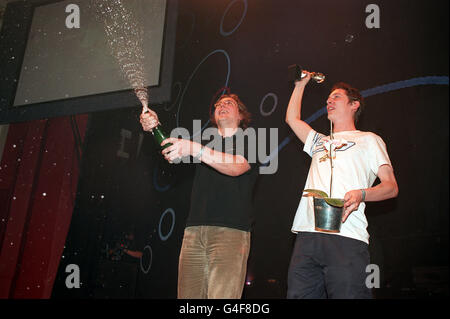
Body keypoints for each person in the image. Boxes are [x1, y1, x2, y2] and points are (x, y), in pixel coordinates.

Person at [285, 73, 399, 299]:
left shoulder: (369, 139)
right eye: (327, 99)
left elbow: (390, 186)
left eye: (336, 97)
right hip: (307, 236)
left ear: (354, 104)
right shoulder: (318, 141)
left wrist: (361, 194)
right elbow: (292, 119)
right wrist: (300, 86)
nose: (329, 101)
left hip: (347, 236)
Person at [140, 94, 258, 299]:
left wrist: (194, 148)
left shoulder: (253, 139)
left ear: (241, 115)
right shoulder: (203, 141)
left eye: (228, 103)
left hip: (230, 232)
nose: (221, 105)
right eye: (218, 104)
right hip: (193, 233)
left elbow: (237, 167)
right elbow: (171, 153)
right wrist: (155, 127)